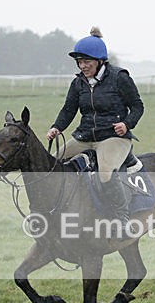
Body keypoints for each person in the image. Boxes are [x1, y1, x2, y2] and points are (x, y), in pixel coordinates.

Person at [46, 27, 144, 226]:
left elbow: (137, 107)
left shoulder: (119, 77)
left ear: (100, 61)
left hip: (113, 138)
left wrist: (126, 124)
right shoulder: (78, 83)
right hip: (85, 137)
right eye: (79, 62)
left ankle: (121, 216)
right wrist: (57, 127)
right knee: (53, 166)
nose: (83, 66)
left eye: (86, 62)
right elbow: (68, 110)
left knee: (105, 175)